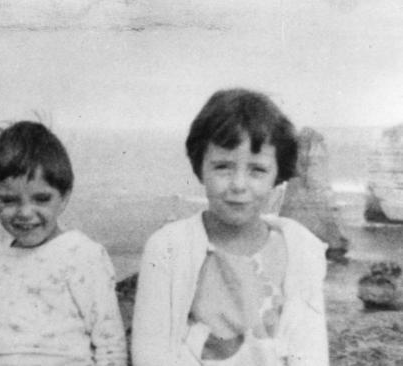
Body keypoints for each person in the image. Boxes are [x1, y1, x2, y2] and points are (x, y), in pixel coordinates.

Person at [132, 89, 329, 366]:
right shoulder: (166, 248)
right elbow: (150, 353)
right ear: (200, 167)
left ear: (277, 175)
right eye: (223, 166)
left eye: (257, 170)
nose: (238, 184)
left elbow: (311, 352)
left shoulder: (300, 251)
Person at [0, 121, 127, 366]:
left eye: (41, 198)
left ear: (64, 197)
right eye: (9, 200)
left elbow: (110, 343)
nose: (25, 212)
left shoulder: (80, 254)